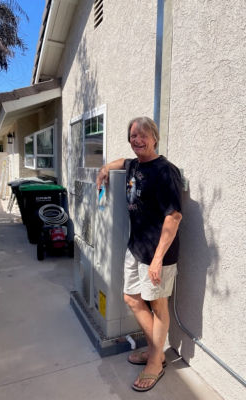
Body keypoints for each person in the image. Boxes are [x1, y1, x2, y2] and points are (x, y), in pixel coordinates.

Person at [96, 116, 183, 392]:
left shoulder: (165, 171)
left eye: (143, 135)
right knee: (132, 298)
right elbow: (121, 162)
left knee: (158, 306)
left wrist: (157, 260)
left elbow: (174, 216)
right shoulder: (135, 165)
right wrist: (104, 169)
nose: (138, 140)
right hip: (135, 248)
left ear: (154, 138)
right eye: (133, 136)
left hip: (158, 254)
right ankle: (155, 349)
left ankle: (156, 362)